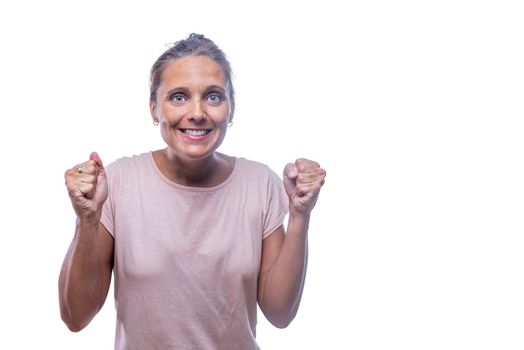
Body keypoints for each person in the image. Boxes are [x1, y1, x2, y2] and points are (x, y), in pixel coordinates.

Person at [59, 33, 326, 349]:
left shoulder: (260, 183)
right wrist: (87, 220)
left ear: (232, 108)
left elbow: (280, 313)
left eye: (213, 96)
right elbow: (75, 317)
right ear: (154, 109)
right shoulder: (119, 182)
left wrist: (299, 216)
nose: (197, 112)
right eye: (178, 97)